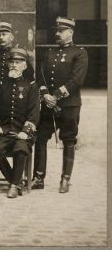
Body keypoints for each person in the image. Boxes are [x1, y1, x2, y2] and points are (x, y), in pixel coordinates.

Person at [34, 17, 88, 193]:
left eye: (61, 31)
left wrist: (55, 96)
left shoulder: (79, 53)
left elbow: (76, 81)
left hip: (69, 106)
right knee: (40, 138)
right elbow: (40, 75)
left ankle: (65, 180)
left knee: (69, 140)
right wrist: (45, 95)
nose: (57, 34)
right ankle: (39, 177)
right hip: (48, 105)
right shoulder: (49, 52)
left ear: (70, 32)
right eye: (56, 31)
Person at [0, 48, 40, 198]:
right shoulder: (2, 85)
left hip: (23, 132)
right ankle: (15, 180)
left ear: (24, 66)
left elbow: (34, 114)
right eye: (11, 62)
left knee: (20, 149)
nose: (13, 65)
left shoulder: (31, 86)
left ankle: (13, 186)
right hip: (5, 131)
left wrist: (25, 131)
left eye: (18, 62)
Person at [0, 21, 34, 97]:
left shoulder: (21, 55)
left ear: (11, 37)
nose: (1, 37)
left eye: (4, 34)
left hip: (14, 98)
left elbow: (29, 78)